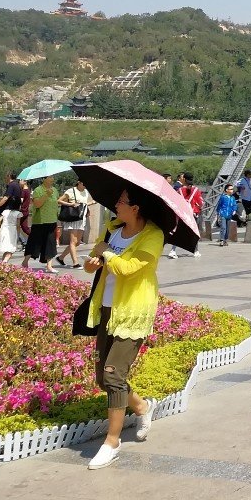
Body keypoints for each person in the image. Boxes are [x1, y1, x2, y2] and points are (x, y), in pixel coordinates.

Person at [82, 187, 163, 470]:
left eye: (121, 201)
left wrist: (106, 253)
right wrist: (93, 262)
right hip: (107, 307)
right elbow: (91, 264)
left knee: (114, 375)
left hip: (133, 311)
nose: (116, 204)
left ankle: (112, 442)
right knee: (102, 379)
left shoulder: (153, 236)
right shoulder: (112, 229)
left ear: (136, 207)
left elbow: (128, 269)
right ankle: (142, 406)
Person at [22, 175, 61, 272]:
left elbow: (56, 203)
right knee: (34, 243)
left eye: (53, 177)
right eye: (50, 177)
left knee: (50, 244)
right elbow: (37, 204)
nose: (52, 179)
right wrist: (46, 194)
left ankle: (49, 266)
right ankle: (25, 262)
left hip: (52, 220)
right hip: (40, 221)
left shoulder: (55, 190)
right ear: (44, 179)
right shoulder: (38, 190)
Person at [56, 179, 92, 267]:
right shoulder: (71, 191)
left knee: (77, 242)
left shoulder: (86, 192)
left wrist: (90, 204)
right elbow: (59, 201)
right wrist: (71, 204)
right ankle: (75, 263)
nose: (85, 185)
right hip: (72, 218)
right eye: (84, 183)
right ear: (79, 182)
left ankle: (60, 258)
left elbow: (83, 204)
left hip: (81, 218)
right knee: (73, 241)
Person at [168, 174, 203, 258]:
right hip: (193, 214)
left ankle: (173, 250)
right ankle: (196, 251)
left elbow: (175, 202)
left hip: (182, 214)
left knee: (179, 232)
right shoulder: (196, 190)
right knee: (194, 232)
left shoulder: (179, 190)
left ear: (184, 179)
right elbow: (200, 202)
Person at [0, 173, 24, 262]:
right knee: (10, 249)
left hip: (5, 227)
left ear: (9, 176)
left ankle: (3, 263)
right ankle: (4, 262)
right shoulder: (18, 186)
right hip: (13, 227)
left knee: (7, 248)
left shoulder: (11, 185)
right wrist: (18, 234)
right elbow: (18, 225)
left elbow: (6, 197)